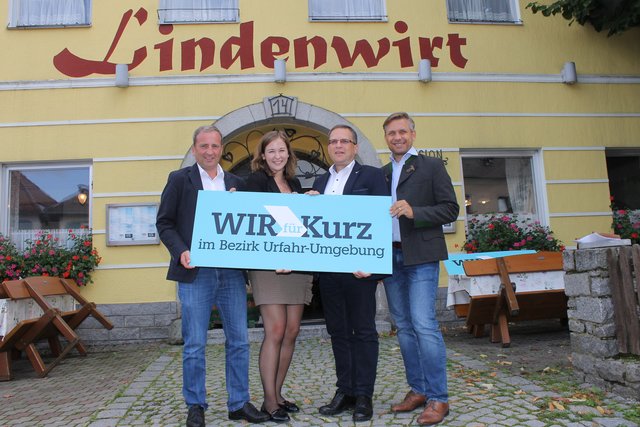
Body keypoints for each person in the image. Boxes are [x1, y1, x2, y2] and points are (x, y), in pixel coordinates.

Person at [156, 125, 269, 427]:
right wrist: (180, 250)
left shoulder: (235, 182)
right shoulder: (180, 180)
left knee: (240, 340)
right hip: (196, 272)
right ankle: (196, 405)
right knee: (194, 343)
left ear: (221, 148)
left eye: (215, 146)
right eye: (203, 146)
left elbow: (253, 220)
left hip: (231, 272)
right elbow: (165, 223)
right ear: (194, 149)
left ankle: (239, 402)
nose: (209, 151)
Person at [380, 112, 459, 426]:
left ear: (412, 134)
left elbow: (451, 208)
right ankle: (419, 390)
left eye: (402, 131)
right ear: (385, 137)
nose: (397, 137)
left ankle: (439, 398)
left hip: (422, 257)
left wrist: (416, 212)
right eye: (391, 133)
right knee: (404, 326)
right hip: (391, 258)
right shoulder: (382, 173)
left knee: (424, 325)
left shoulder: (431, 166)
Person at [311, 124, 388, 422]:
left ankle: (364, 395)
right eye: (334, 141)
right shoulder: (320, 179)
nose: (339, 146)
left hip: (360, 270)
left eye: (345, 141)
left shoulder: (370, 175)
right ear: (328, 146)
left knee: (364, 331)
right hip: (330, 271)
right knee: (338, 332)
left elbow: (380, 217)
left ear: (355, 147)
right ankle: (345, 390)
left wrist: (374, 266)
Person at [242, 130, 313, 423]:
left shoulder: (294, 182)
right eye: (271, 151)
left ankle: (279, 392)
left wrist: (308, 201)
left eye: (281, 150)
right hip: (267, 265)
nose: (277, 156)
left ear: (288, 154)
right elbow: (250, 217)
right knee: (276, 329)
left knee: (292, 330)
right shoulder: (256, 181)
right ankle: (269, 402)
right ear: (262, 155)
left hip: (295, 265)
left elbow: (299, 223)